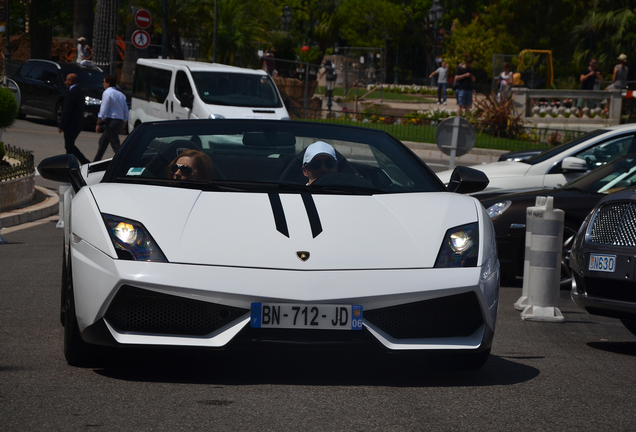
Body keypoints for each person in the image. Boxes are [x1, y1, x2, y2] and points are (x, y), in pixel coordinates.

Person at [94, 75, 129, 161]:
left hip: (111, 121)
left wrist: (98, 122)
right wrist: (124, 121)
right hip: (119, 121)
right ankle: (96, 161)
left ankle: (124, 161)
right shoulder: (121, 94)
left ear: (108, 83)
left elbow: (104, 108)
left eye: (104, 82)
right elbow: (125, 109)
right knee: (103, 141)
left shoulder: (107, 93)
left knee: (115, 144)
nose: (103, 84)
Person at [57, 74, 90, 164]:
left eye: (67, 80)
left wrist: (61, 125)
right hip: (78, 124)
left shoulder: (71, 93)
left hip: (71, 124)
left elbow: (67, 110)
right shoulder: (80, 91)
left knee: (69, 146)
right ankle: (83, 161)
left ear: (71, 81)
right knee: (70, 145)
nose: (65, 82)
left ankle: (71, 163)